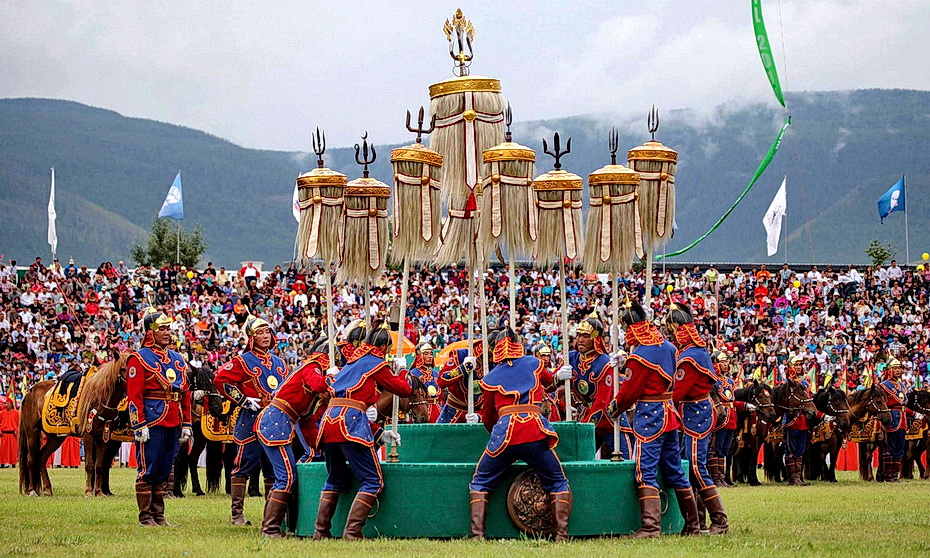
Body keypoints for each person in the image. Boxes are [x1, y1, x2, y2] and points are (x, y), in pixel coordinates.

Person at [607, 299, 700, 538]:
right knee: (675, 471)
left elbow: (630, 392)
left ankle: (651, 527)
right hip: (669, 414)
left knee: (645, 470)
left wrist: (614, 408)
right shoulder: (668, 347)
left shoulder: (640, 355)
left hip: (650, 416)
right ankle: (693, 524)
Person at [469, 328, 570, 541]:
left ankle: (478, 535)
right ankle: (561, 535)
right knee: (557, 480)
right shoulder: (534, 363)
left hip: (505, 435)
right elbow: (549, 382)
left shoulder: (491, 377)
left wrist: (495, 433)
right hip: (534, 431)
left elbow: (488, 416)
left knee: (480, 481)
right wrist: (559, 377)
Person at [314, 321, 411, 540]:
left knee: (335, 478)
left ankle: (320, 531)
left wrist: (379, 433)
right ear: (385, 348)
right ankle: (352, 531)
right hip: (349, 424)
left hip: (330, 422)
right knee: (373, 480)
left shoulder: (351, 363)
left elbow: (352, 403)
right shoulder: (375, 363)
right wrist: (402, 369)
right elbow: (403, 389)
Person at [213, 315, 288, 526]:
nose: (265, 336)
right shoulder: (242, 360)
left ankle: (270, 513)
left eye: (268, 332)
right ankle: (237, 514)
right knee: (243, 466)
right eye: (260, 333)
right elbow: (220, 380)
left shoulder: (279, 362)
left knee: (273, 469)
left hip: (274, 419)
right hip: (251, 419)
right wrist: (244, 400)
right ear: (251, 338)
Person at [255, 336, 330, 537]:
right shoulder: (311, 366)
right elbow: (317, 384)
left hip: (282, 422)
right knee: (286, 477)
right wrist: (330, 379)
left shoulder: (313, 372)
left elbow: (306, 420)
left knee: (286, 477)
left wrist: (317, 446)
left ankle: (274, 526)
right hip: (275, 421)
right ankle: (270, 529)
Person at [666, 302, 728, 535]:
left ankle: (719, 521)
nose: (673, 337)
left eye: (674, 332)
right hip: (694, 412)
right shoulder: (694, 352)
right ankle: (698, 522)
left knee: (696, 467)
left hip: (696, 415)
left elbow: (677, 392)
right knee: (690, 467)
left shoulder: (691, 357)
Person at [127, 307, 192, 527]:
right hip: (151, 419)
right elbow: (134, 396)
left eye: (168, 328)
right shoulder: (138, 358)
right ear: (149, 332)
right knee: (149, 468)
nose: (167, 332)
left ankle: (159, 515)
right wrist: (139, 424)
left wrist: (187, 423)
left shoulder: (176, 358)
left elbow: (185, 392)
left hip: (173, 418)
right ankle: (146, 516)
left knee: (164, 468)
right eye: (161, 328)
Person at [566, 312, 628, 459]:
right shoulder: (571, 358)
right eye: (578, 335)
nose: (580, 339)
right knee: (579, 460)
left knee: (626, 461)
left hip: (611, 421)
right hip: (587, 417)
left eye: (585, 336)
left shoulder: (605, 363)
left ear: (595, 338)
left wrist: (584, 427)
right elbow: (551, 384)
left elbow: (602, 402)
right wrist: (557, 376)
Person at [708, 352, 753, 487]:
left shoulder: (730, 381)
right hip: (720, 418)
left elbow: (732, 401)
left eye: (727, 361)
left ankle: (722, 478)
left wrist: (745, 405)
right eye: (722, 362)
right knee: (716, 448)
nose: (725, 364)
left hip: (731, 418)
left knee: (725, 449)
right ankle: (716, 478)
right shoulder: (712, 380)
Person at [879, 358, 912, 482]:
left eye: (899, 368)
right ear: (889, 370)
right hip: (891, 416)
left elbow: (904, 404)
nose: (898, 370)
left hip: (902, 417)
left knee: (900, 446)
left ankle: (895, 475)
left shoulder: (902, 385)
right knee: (890, 445)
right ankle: (888, 475)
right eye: (895, 368)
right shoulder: (884, 385)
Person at [436, 342, 484, 424]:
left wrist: (481, 416)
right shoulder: (460, 355)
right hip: (453, 413)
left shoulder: (498, 364)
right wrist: (464, 367)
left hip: (479, 414)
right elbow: (442, 380)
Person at [408, 342, 441, 423]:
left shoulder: (436, 374)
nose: (430, 356)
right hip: (422, 409)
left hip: (438, 410)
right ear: (419, 356)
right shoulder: (413, 374)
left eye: (431, 354)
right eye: (426, 354)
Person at [0, 397, 19, 467]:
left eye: (7, 403)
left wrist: (17, 431)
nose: (6, 405)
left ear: (11, 404)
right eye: (5, 403)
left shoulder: (17, 413)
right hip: (4, 434)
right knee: (3, 450)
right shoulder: (1, 413)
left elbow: (19, 424)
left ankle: (13, 463)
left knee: (13, 450)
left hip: (13, 434)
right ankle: (2, 463)